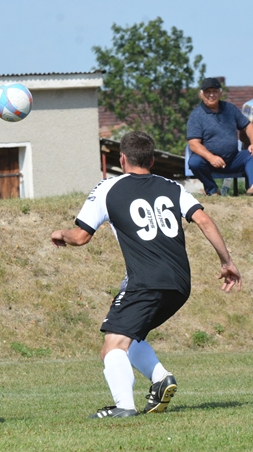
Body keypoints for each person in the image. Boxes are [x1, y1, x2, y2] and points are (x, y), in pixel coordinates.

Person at [51, 131, 241, 418]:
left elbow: (80, 237)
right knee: (131, 336)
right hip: (179, 284)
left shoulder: (107, 188)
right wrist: (227, 261)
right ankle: (160, 378)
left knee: (112, 346)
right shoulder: (172, 187)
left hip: (145, 281)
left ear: (122, 159)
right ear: (152, 160)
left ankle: (124, 407)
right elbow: (203, 219)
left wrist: (60, 233)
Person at [187, 77, 253, 196]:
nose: (211, 95)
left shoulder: (230, 108)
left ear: (220, 93)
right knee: (194, 162)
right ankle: (212, 190)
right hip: (209, 162)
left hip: (233, 159)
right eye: (208, 92)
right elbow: (193, 144)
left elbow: (249, 126)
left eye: (215, 91)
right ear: (201, 94)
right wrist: (211, 158)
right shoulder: (196, 115)